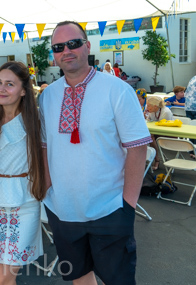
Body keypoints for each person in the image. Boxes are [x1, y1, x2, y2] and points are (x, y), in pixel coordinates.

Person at [39, 21, 151, 284]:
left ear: (87, 46)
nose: (66, 50)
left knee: (118, 280)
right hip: (62, 209)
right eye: (58, 46)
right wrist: (46, 191)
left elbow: (137, 147)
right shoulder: (47, 96)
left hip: (110, 209)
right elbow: (44, 147)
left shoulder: (117, 90)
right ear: (54, 55)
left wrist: (128, 204)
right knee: (79, 277)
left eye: (73, 43)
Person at [0, 61, 46, 285]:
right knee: (1, 274)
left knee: (5, 275)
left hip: (26, 201)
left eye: (10, 84)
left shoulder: (36, 120)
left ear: (24, 90)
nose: (1, 89)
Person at [146, 96, 173, 169]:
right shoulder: (152, 111)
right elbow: (148, 120)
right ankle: (151, 158)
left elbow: (162, 127)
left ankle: (156, 159)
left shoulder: (166, 112)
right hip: (155, 133)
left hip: (168, 133)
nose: (147, 107)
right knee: (148, 136)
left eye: (148, 106)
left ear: (155, 106)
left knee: (149, 137)